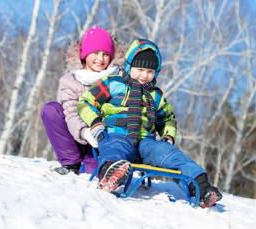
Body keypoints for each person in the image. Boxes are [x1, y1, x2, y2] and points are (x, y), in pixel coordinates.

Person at [77, 39, 222, 208]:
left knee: (170, 154)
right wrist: (95, 123)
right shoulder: (113, 83)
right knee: (115, 147)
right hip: (117, 133)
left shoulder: (155, 95)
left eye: (150, 71)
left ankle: (201, 187)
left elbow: (167, 118)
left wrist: (168, 135)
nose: (144, 75)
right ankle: (111, 173)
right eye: (139, 69)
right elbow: (86, 102)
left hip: (146, 142)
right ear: (129, 66)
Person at [41, 25, 124, 175]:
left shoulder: (117, 81)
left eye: (105, 54)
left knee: (92, 172)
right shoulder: (70, 81)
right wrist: (84, 132)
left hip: (104, 141)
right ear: (85, 55)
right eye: (95, 53)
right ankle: (71, 163)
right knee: (52, 110)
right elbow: (71, 113)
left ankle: (100, 163)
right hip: (79, 135)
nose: (100, 59)